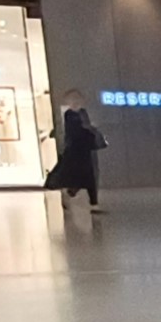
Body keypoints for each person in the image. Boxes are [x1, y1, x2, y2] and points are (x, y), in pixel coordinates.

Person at [45, 91, 104, 236]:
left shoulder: (83, 113)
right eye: (73, 100)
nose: (76, 102)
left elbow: (85, 129)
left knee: (89, 176)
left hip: (85, 150)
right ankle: (72, 192)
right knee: (74, 174)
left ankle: (93, 203)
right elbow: (74, 132)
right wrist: (88, 129)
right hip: (74, 151)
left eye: (77, 99)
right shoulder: (69, 115)